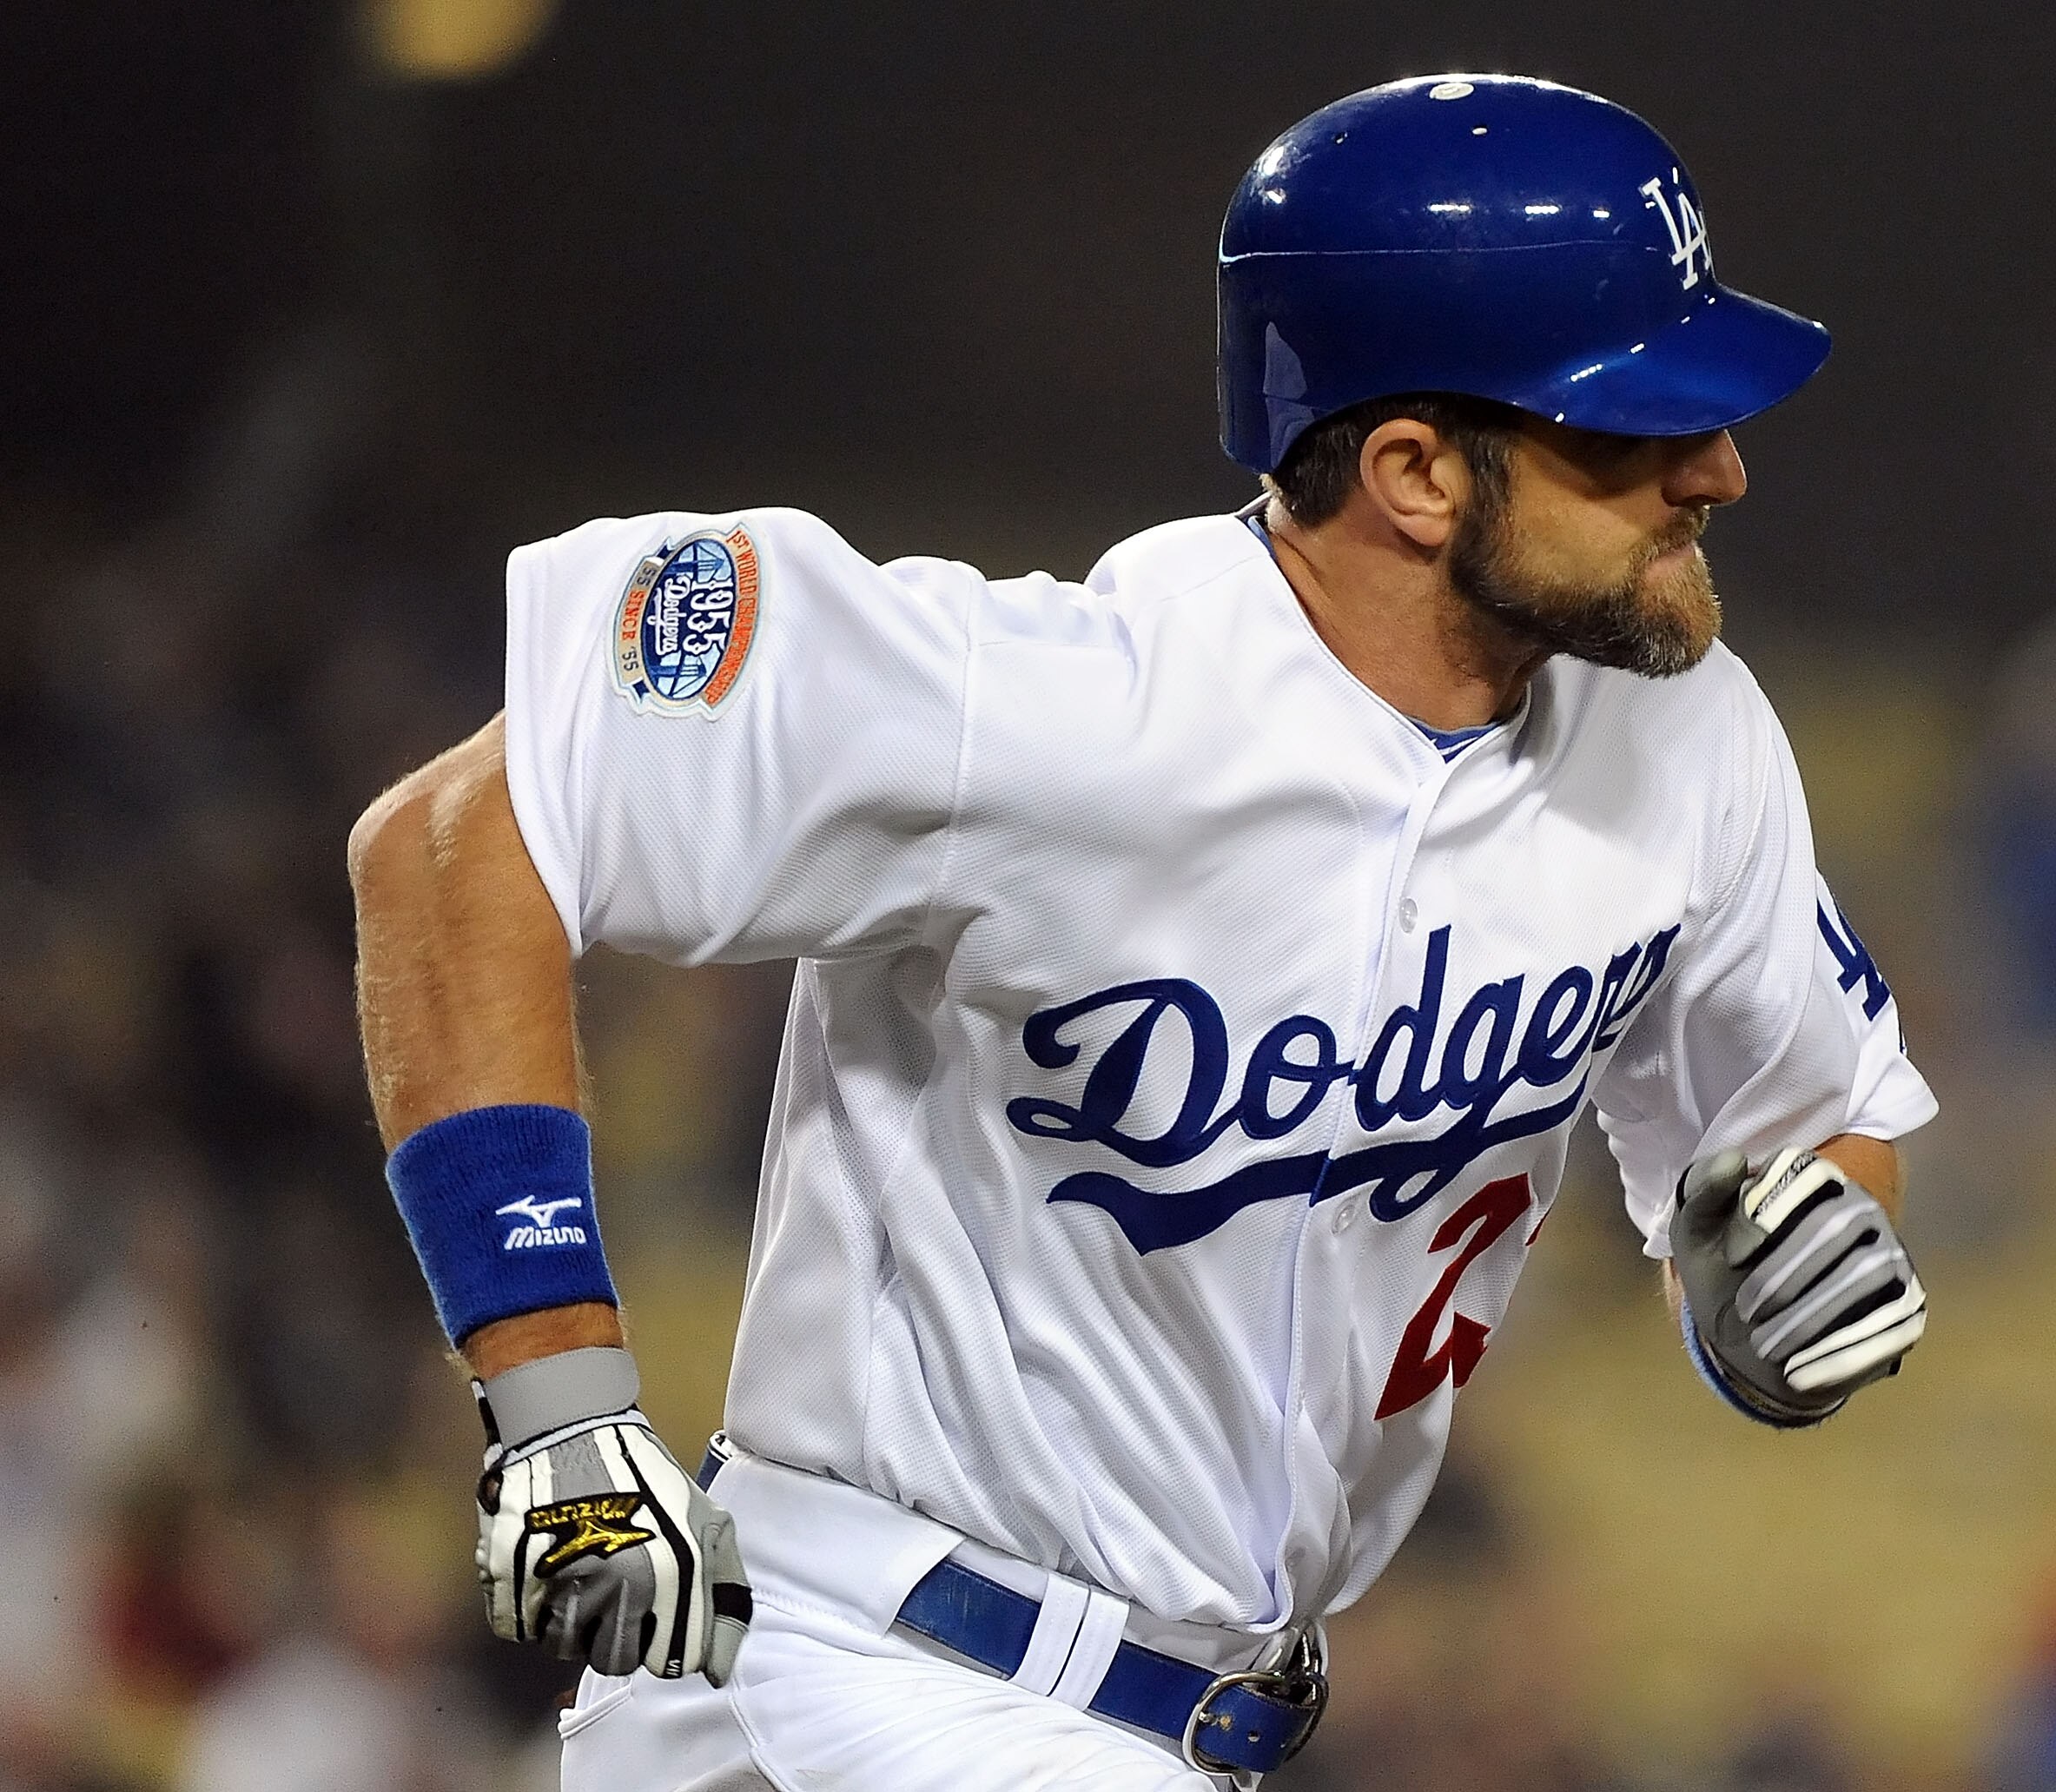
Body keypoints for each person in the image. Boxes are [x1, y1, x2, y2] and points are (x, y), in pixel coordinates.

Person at [347, 72, 1936, 1791]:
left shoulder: (1680, 738)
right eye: (1626, 429)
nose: (1719, 468)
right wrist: (563, 1413)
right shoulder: (1043, 710)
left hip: (1188, 1722)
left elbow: (1799, 1148)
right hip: (870, 1673)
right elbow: (448, 844)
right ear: (1411, 470)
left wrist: (1782, 1295)